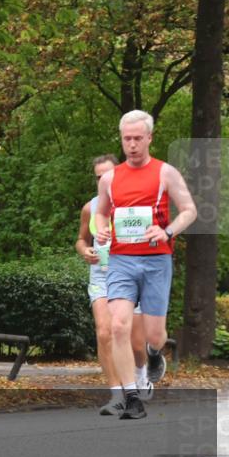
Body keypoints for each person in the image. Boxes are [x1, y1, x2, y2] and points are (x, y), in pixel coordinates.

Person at [95, 110, 197, 420]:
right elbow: (101, 212)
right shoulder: (111, 178)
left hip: (156, 260)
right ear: (122, 139)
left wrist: (165, 231)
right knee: (118, 326)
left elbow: (189, 211)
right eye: (127, 139)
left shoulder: (166, 173)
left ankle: (154, 354)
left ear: (149, 138)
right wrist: (102, 228)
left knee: (154, 335)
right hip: (121, 259)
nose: (133, 144)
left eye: (138, 138)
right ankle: (132, 397)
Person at [75, 154, 151, 416]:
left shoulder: (138, 204)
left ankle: (141, 374)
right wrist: (85, 251)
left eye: (108, 175)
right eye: (99, 177)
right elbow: (81, 240)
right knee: (104, 332)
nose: (104, 180)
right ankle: (117, 395)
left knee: (137, 344)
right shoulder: (91, 208)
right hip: (101, 277)